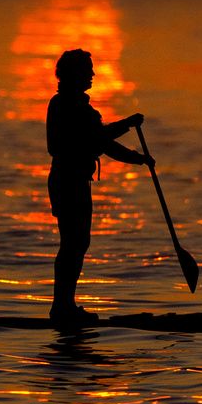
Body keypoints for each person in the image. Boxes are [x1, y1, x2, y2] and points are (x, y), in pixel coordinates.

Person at [45, 48, 152, 325]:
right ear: (75, 74)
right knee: (73, 243)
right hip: (68, 181)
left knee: (78, 243)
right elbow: (97, 139)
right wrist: (127, 124)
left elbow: (102, 143)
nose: (93, 74)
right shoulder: (65, 105)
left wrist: (138, 160)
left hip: (76, 180)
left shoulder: (80, 108)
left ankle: (65, 305)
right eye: (87, 70)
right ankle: (62, 308)